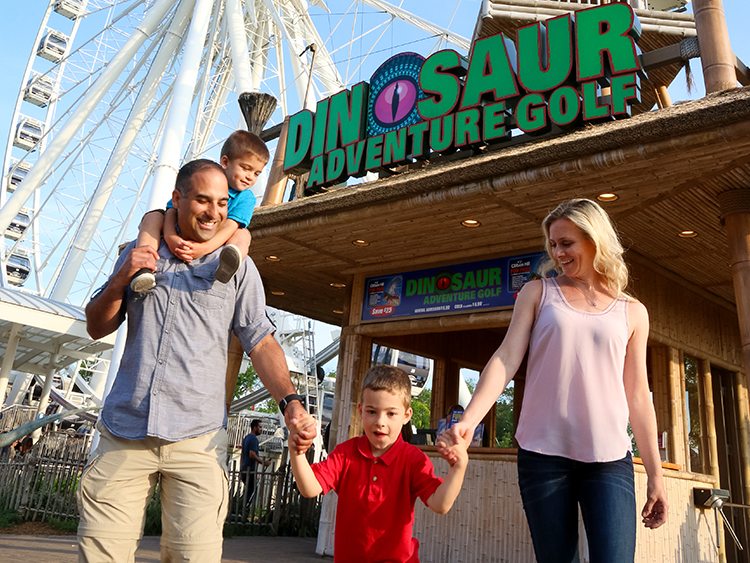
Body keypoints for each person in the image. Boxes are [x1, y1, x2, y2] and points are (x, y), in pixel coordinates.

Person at [78, 159, 315, 562]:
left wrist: (291, 403)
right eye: (203, 200)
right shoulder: (139, 253)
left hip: (197, 439)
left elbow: (260, 340)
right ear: (177, 198)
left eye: (222, 203)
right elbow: (96, 326)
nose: (214, 212)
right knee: (100, 555)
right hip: (125, 431)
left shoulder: (237, 267)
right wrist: (122, 278)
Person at [438, 198, 668, 563]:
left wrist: (656, 474)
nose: (557, 252)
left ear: (595, 240)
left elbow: (638, 394)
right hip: (543, 456)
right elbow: (506, 358)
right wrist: (469, 420)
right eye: (553, 244)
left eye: (567, 243)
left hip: (608, 459)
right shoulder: (537, 293)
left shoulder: (633, 312)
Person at [291, 365, 468, 562]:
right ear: (361, 411)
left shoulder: (413, 460)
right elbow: (309, 488)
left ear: (406, 415)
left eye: (391, 413)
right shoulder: (346, 453)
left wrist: (458, 468)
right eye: (372, 411)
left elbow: (440, 504)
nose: (380, 421)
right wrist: (297, 451)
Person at [130, 130, 269, 293]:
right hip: (182, 231)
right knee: (153, 216)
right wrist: (171, 238)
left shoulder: (246, 198)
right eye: (246, 168)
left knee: (243, 234)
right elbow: (171, 210)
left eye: (256, 173)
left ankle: (229, 262)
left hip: (216, 237)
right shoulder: (202, 179)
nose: (250, 177)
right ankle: (144, 267)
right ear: (225, 161)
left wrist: (203, 249)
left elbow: (230, 227)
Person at [240, 419, 271, 502]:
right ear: (254, 428)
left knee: (248, 491)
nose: (261, 429)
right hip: (249, 469)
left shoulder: (246, 438)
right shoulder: (253, 439)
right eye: (260, 427)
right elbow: (252, 454)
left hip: (244, 468)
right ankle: (243, 509)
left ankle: (240, 507)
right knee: (251, 492)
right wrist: (263, 463)